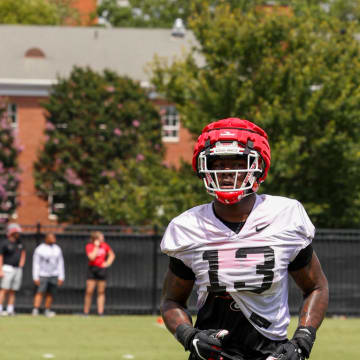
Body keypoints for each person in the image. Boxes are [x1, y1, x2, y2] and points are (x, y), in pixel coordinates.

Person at [160, 118, 329, 360]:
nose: (228, 172)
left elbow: (316, 287)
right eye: (218, 163)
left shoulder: (285, 216)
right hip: (212, 355)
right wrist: (189, 336)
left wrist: (303, 339)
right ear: (203, 167)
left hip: (272, 353)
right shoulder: (187, 227)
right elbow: (171, 300)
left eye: (238, 163)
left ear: (258, 167)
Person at [32, 233, 65, 318]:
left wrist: (61, 276)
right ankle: (35, 309)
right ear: (46, 238)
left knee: (50, 293)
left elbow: (60, 263)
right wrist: (35, 276)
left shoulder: (57, 249)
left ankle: (47, 310)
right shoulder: (40, 249)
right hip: (43, 275)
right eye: (52, 237)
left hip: (54, 274)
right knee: (40, 292)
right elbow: (36, 264)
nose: (54, 239)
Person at [83, 231, 115, 316]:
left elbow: (112, 255)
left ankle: (100, 312)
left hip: (102, 270)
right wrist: (96, 247)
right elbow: (91, 257)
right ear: (96, 238)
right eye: (101, 237)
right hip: (92, 269)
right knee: (89, 291)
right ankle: (86, 312)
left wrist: (107, 263)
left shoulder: (105, 246)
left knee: (101, 291)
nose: (103, 238)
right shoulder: (90, 246)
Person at [0, 223, 26, 316]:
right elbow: (1, 256)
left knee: (13, 290)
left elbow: (23, 252)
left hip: (17, 269)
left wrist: (21, 263)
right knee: (4, 289)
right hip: (7, 268)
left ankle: (10, 309)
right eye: (16, 232)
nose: (18, 234)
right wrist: (0, 270)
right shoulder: (5, 243)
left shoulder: (20, 243)